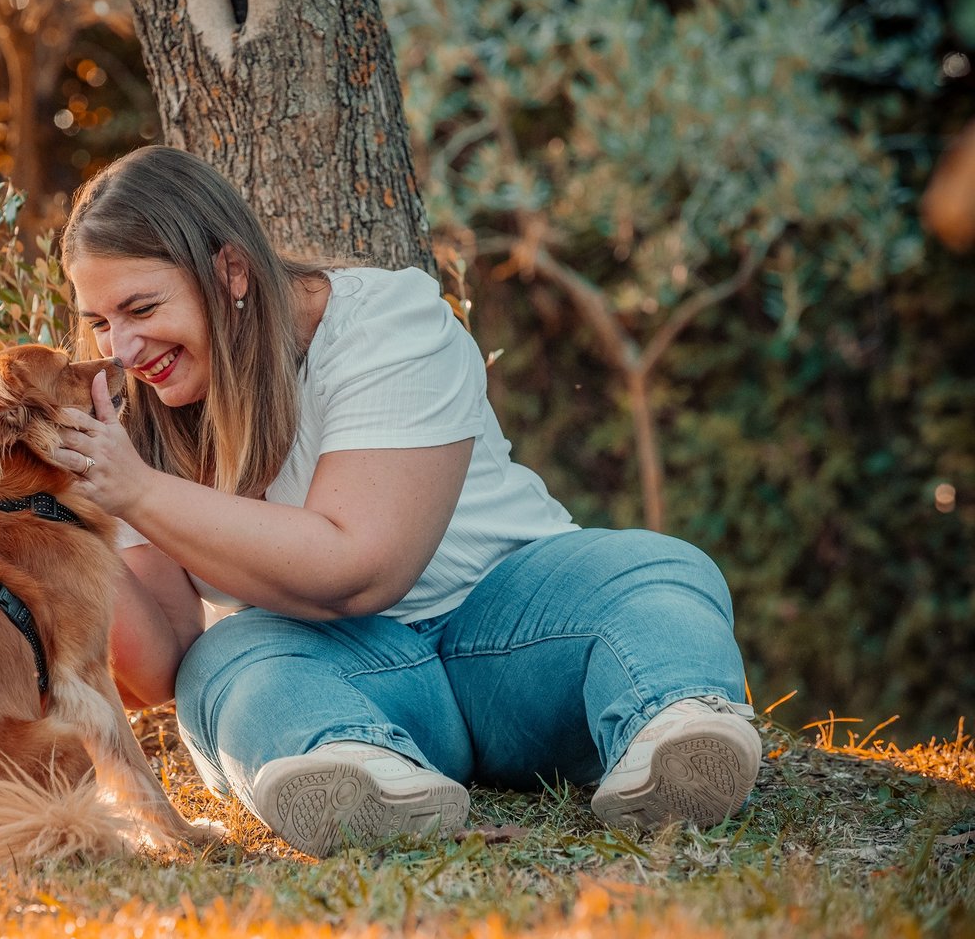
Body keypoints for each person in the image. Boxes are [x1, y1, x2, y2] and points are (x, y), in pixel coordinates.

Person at [51, 145, 761, 858]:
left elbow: (358, 567)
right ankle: (354, 769)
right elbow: (160, 661)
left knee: (647, 572)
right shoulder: (125, 420)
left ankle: (675, 730)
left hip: (519, 640)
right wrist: (61, 503)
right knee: (223, 663)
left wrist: (140, 491)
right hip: (337, 674)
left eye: (142, 308)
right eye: (101, 322)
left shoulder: (385, 322)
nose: (124, 349)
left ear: (230, 271)